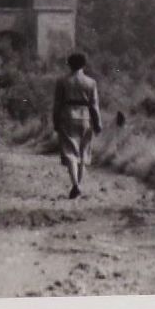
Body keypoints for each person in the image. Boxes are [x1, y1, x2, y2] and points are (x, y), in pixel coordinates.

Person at [52, 51, 102, 199]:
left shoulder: (62, 81)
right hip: (85, 118)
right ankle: (79, 185)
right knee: (83, 153)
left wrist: (55, 121)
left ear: (69, 64)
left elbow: (57, 104)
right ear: (84, 64)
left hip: (67, 117)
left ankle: (75, 185)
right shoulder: (91, 82)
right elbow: (94, 106)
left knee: (70, 152)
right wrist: (97, 123)